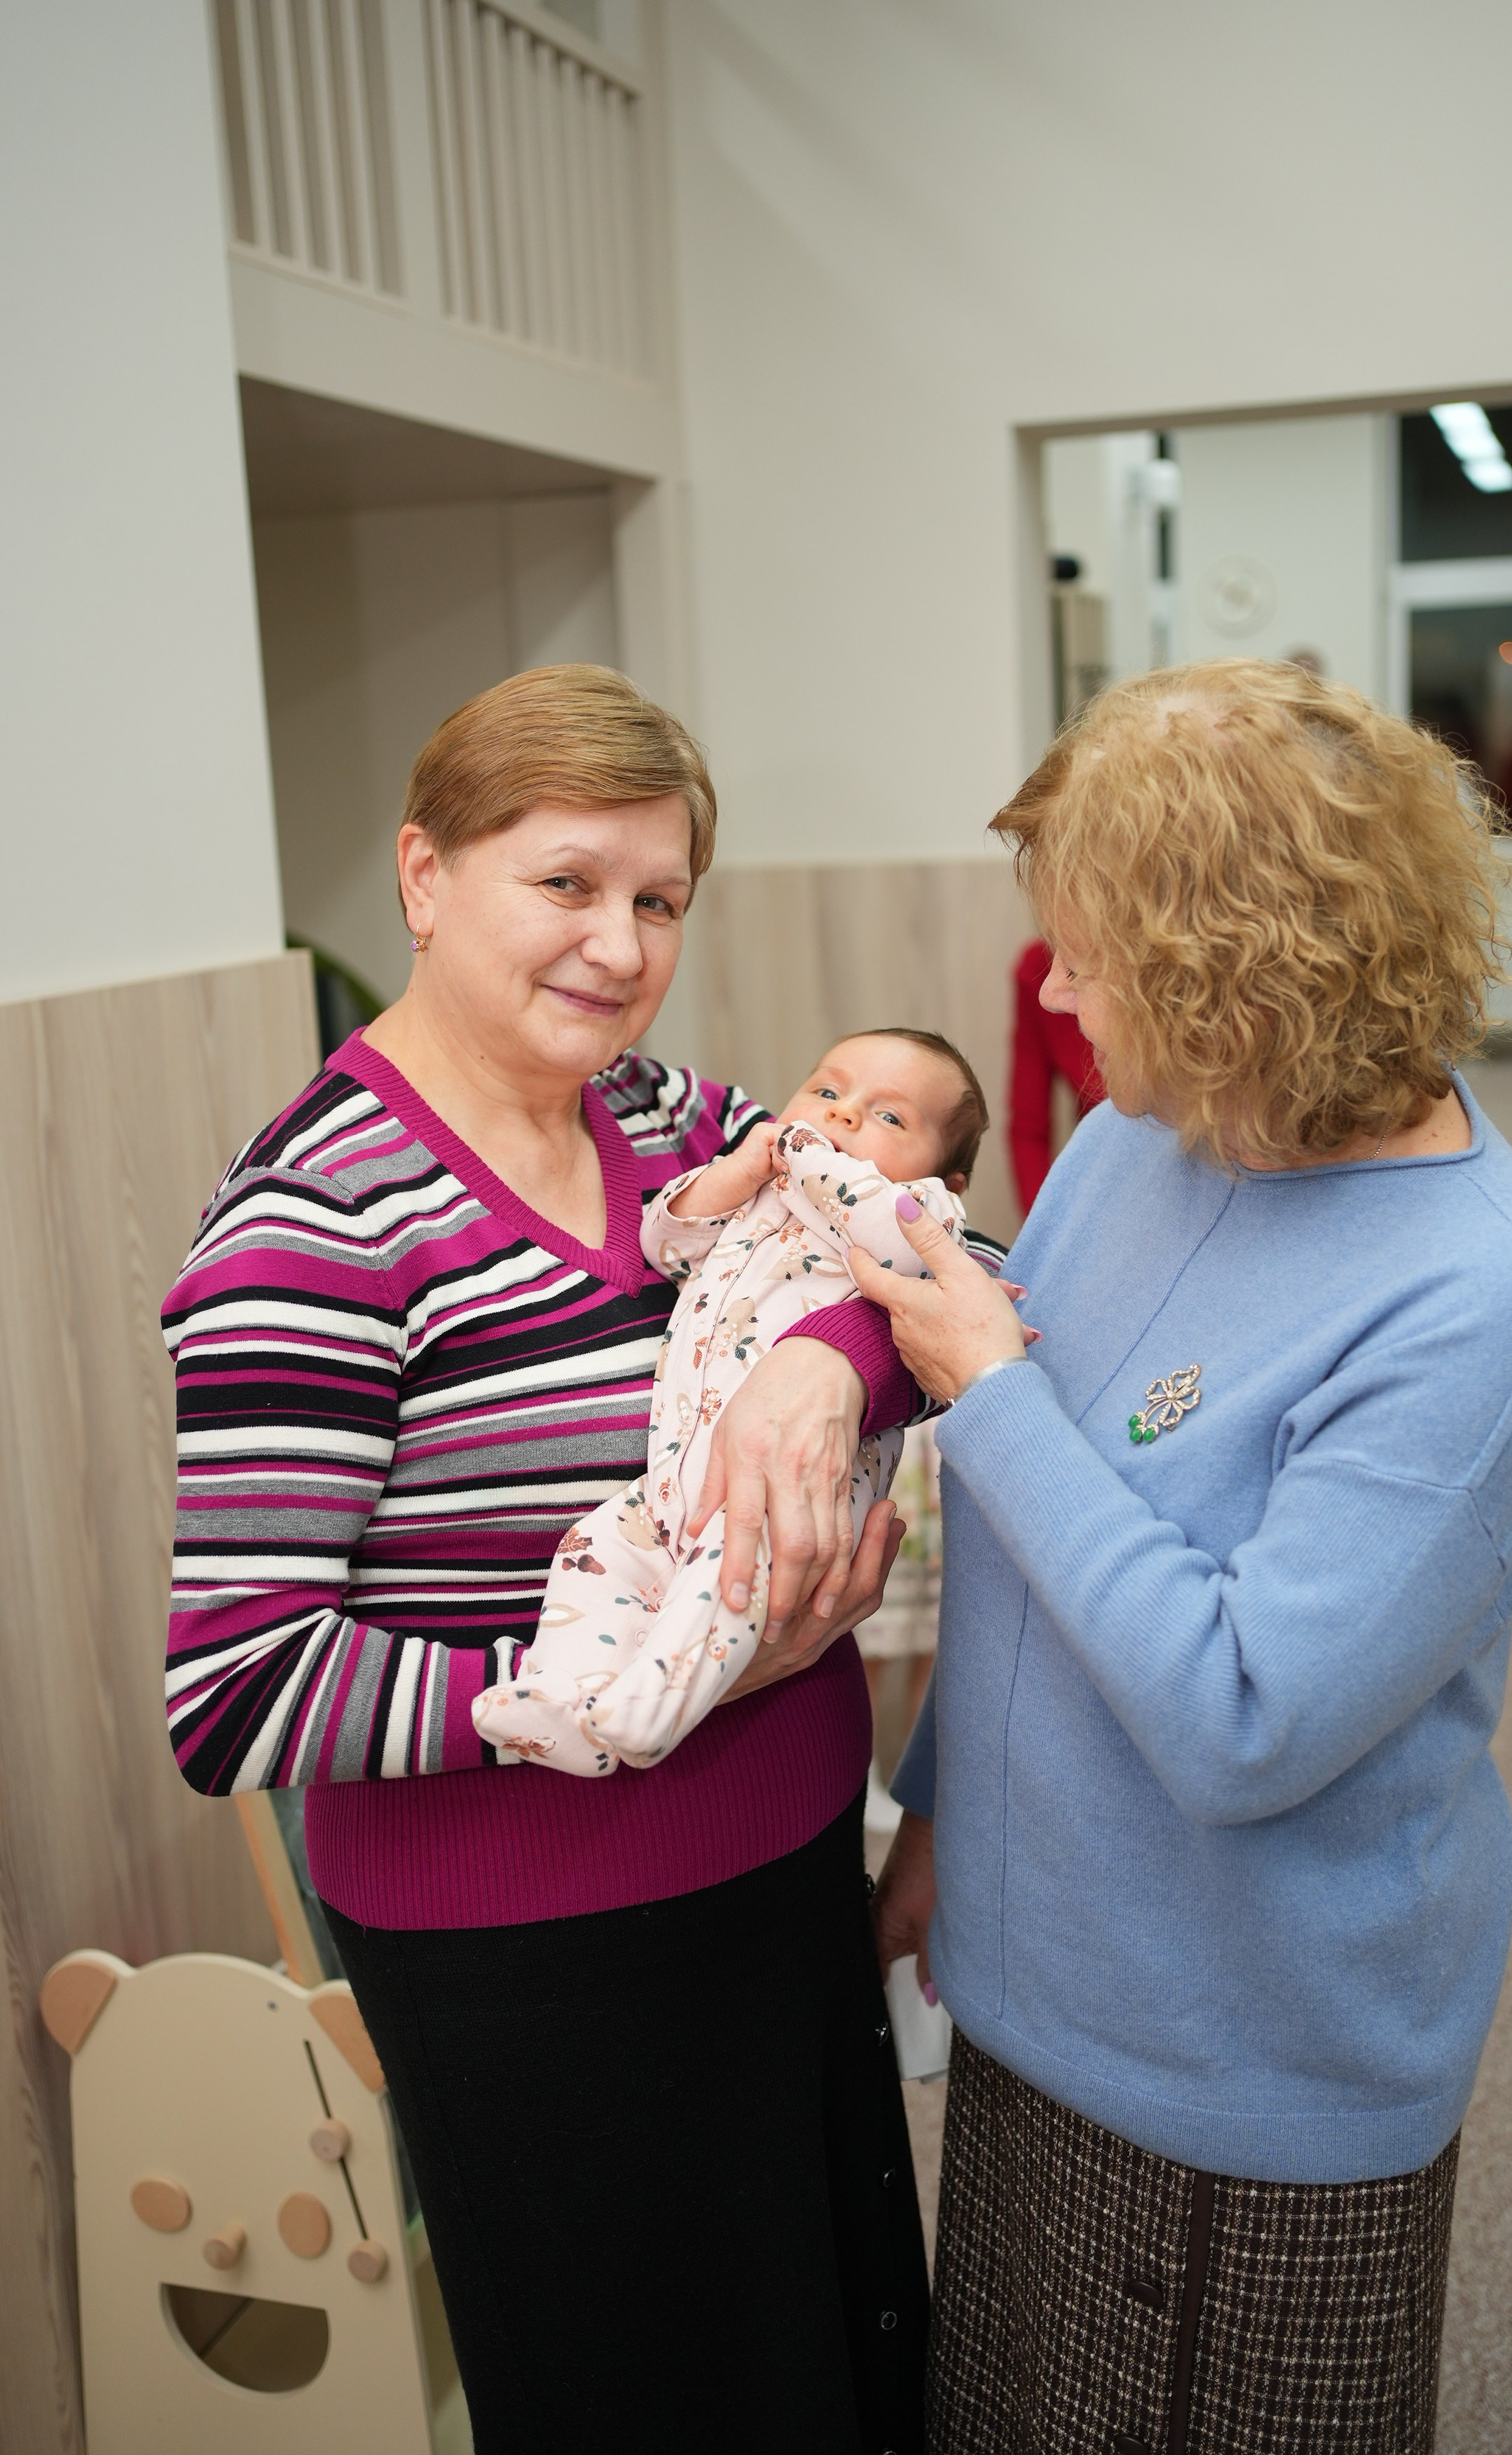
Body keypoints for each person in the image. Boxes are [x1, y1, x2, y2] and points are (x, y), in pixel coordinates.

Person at [163, 666, 939, 2455]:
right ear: (425, 876)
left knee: (834, 2363)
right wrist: (631, 1695)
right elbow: (240, 1689)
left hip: (786, 1871)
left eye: (658, 899)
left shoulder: (671, 1119)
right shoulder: (314, 1225)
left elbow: (919, 1247)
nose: (617, 944)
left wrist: (821, 1364)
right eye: (566, 883)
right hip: (540, 1953)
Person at [860, 659, 1512, 2455]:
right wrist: (940, 1813)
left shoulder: (1478, 1297)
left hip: (1238, 2070)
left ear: (1227, 962)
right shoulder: (1137, 1141)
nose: (1052, 988)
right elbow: (1044, 1563)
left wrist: (992, 1398)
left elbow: (1244, 1718)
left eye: (1091, 950)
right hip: (1035, 1991)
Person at [470, 1030, 987, 1775]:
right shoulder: (754, 1188)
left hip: (789, 1495)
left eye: (889, 1118)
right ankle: (561, 1690)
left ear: (951, 1177)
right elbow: (665, 1242)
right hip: (675, 1478)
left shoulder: (917, 1209)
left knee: (725, 1585)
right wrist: (738, 1170)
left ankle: (645, 1715)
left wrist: (806, 1162)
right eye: (828, 1091)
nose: (842, 1118)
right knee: (594, 1552)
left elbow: (927, 1260)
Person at [1007, 935, 1104, 1213]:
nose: (1048, 997)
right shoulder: (1037, 969)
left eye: (1077, 972)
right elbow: (1028, 1127)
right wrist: (1046, 1229)